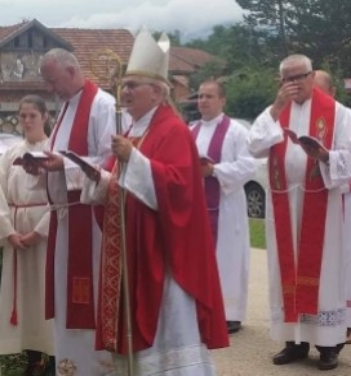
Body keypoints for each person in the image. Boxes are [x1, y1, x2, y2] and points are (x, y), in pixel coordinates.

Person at [80, 28, 229, 373]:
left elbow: (178, 189)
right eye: (124, 85)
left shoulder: (171, 129)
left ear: (158, 93)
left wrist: (134, 159)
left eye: (133, 85)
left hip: (162, 252)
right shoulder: (133, 130)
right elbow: (118, 182)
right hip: (133, 248)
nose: (125, 91)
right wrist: (98, 180)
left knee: (168, 329)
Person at [247, 55, 351, 371]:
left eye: (299, 77)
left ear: (312, 77)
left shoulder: (339, 114)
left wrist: (325, 156)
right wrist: (275, 108)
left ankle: (328, 345)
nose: (294, 84)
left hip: (321, 206)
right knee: (284, 272)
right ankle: (293, 341)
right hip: (283, 204)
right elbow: (254, 146)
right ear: (279, 82)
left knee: (324, 275)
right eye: (287, 79)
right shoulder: (273, 114)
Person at [35, 47, 118, 375]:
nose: (50, 89)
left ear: (72, 71)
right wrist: (43, 166)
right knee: (65, 297)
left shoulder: (102, 106)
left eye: (52, 80)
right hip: (67, 219)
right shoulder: (68, 106)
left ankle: (96, 368)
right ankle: (70, 366)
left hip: (90, 219)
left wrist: (62, 164)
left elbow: (110, 161)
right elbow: (67, 157)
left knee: (89, 294)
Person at [190, 79, 257, 335]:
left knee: (228, 258)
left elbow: (249, 165)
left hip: (226, 207)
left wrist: (214, 170)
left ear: (222, 101)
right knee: (199, 257)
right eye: (200, 96)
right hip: (198, 207)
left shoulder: (237, 132)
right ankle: (201, 308)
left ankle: (230, 313)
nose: (203, 101)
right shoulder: (191, 130)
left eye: (209, 96)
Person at [312, 70, 351, 345]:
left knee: (349, 259)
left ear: (332, 92)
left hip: (346, 198)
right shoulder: (306, 120)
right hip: (316, 202)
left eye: (319, 91)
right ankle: (324, 319)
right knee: (323, 264)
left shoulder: (350, 118)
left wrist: (328, 162)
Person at [0, 95, 54, 375]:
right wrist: (8, 231)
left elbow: (60, 196)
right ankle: (31, 357)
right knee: (23, 298)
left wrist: (40, 230)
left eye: (33, 115)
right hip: (16, 231)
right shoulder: (11, 154)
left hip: (43, 235)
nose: (27, 121)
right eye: (23, 116)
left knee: (46, 294)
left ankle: (51, 357)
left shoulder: (54, 151)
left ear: (45, 116)